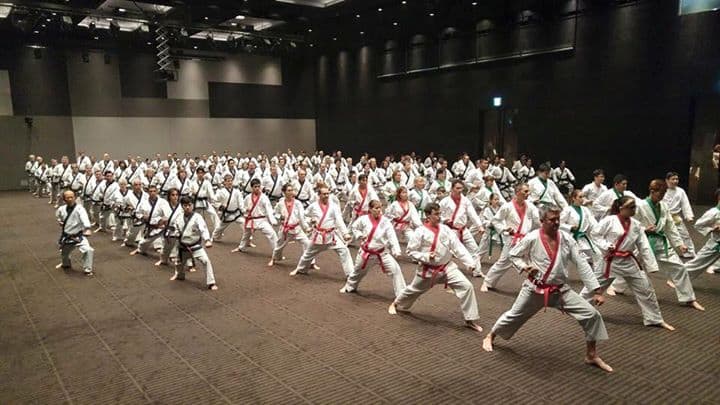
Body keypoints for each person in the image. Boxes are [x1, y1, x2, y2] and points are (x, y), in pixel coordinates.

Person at [481, 206, 612, 373]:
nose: (556, 222)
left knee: (592, 314)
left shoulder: (566, 238)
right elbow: (513, 255)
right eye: (552, 220)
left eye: (558, 219)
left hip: (560, 291)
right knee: (514, 315)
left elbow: (581, 263)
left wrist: (597, 291)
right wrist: (524, 267)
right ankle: (491, 335)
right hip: (535, 289)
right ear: (542, 221)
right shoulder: (532, 237)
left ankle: (591, 355)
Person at [388, 203, 483, 333]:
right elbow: (410, 251)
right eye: (436, 214)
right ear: (428, 215)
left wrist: (470, 263)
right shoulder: (420, 231)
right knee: (413, 290)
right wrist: (426, 256)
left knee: (467, 286)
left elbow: (457, 246)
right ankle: (395, 303)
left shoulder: (445, 229)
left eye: (440, 214)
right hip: (428, 270)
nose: (439, 217)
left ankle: (470, 319)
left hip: (447, 268)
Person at [588, 196, 675, 330]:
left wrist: (651, 265)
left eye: (635, 207)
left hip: (628, 261)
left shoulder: (636, 225)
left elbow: (643, 245)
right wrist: (606, 245)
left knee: (646, 289)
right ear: (621, 208)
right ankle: (580, 310)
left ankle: (654, 318)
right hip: (610, 261)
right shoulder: (609, 220)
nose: (634, 209)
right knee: (593, 288)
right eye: (631, 207)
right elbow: (595, 234)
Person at [634, 180, 704, 311]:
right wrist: (644, 229)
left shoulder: (664, 206)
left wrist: (679, 244)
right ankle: (617, 287)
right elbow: (631, 224)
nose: (662, 196)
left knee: (679, 267)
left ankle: (689, 298)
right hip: (644, 243)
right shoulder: (640, 206)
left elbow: (670, 226)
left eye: (664, 193)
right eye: (660, 193)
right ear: (652, 191)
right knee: (632, 268)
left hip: (661, 242)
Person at [481, 184, 541, 292]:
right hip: (513, 239)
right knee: (503, 262)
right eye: (525, 191)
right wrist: (504, 228)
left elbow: (537, 221)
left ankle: (538, 284)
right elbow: (496, 220)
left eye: (528, 191)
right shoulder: (507, 206)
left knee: (534, 262)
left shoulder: (531, 206)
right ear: (517, 192)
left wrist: (542, 230)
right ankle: (487, 282)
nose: (528, 194)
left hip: (526, 239)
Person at [341, 200, 407, 296]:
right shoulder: (363, 219)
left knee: (395, 269)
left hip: (382, 253)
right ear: (370, 209)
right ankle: (349, 286)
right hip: (366, 253)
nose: (379, 210)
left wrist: (396, 250)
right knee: (357, 272)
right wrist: (359, 235)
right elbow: (354, 227)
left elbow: (392, 236)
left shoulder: (385, 222)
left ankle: (401, 294)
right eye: (376, 208)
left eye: (380, 207)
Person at [290, 184, 354, 277]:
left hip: (331, 236)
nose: (326, 196)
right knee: (308, 254)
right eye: (324, 194)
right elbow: (304, 216)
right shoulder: (313, 206)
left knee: (344, 251)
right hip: (318, 236)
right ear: (319, 195)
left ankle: (350, 274)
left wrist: (345, 234)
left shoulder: (334, 206)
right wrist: (310, 220)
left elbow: (339, 221)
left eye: (328, 194)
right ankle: (301, 269)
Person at [170, 196, 218, 290]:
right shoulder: (179, 217)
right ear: (182, 206)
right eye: (185, 205)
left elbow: (203, 229)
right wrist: (175, 233)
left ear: (193, 205)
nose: (187, 207)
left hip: (195, 245)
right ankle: (179, 275)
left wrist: (207, 240)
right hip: (183, 246)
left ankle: (211, 282)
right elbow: (175, 228)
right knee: (178, 263)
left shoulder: (197, 217)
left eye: (189, 205)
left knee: (206, 261)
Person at [440, 179, 485, 277]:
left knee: (475, 249)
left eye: (461, 188)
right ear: (452, 189)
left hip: (463, 229)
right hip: (450, 230)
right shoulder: (445, 201)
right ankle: (441, 270)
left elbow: (472, 214)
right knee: (446, 252)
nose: (460, 190)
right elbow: (438, 214)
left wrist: (480, 226)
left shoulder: (465, 201)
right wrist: (444, 220)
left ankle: (477, 271)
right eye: (457, 188)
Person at [232, 179, 278, 255]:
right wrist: (245, 210)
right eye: (255, 187)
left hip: (261, 220)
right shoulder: (248, 197)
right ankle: (241, 248)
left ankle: (277, 253)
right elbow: (244, 207)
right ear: (252, 187)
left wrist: (272, 220)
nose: (257, 188)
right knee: (246, 235)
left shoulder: (264, 197)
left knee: (272, 234)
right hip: (251, 220)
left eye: (258, 186)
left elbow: (269, 209)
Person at [270, 183, 311, 267]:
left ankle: (311, 263)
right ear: (284, 192)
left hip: (296, 229)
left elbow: (301, 216)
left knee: (307, 243)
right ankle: (274, 259)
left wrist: (306, 227)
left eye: (292, 190)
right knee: (279, 246)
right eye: (289, 190)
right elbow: (275, 213)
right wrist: (279, 216)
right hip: (285, 229)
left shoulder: (298, 203)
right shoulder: (280, 203)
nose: (291, 192)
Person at [55, 190, 94, 276]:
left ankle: (87, 269)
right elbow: (58, 216)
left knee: (88, 250)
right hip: (67, 236)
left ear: (75, 198)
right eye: (68, 197)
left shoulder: (80, 209)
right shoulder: (61, 209)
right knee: (64, 253)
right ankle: (65, 264)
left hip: (78, 236)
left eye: (72, 197)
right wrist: (60, 221)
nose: (70, 199)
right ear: (64, 199)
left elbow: (84, 218)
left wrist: (87, 228)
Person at [560, 189, 601, 268]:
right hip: (572, 238)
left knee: (596, 255)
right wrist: (570, 227)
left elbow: (592, 222)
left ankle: (593, 273)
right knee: (577, 261)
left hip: (583, 238)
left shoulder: (585, 210)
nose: (582, 199)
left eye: (583, 197)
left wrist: (600, 230)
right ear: (573, 198)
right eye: (580, 197)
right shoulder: (568, 209)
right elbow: (559, 223)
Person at [685, 188, 720, 275]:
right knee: (696, 263)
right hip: (715, 244)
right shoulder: (713, 212)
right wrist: (712, 229)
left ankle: (715, 266)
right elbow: (698, 225)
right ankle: (676, 276)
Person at [662, 172, 695, 258]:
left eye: (677, 179)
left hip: (674, 216)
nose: (675, 181)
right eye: (673, 179)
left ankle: (689, 252)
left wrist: (688, 215)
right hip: (662, 217)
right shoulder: (662, 190)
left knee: (684, 235)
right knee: (661, 236)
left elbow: (685, 203)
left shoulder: (680, 191)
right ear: (667, 180)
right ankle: (662, 253)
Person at [211, 175, 244, 243]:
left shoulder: (236, 191)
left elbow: (240, 202)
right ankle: (214, 237)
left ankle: (248, 240)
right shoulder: (221, 192)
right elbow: (214, 200)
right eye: (228, 181)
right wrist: (220, 206)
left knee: (244, 223)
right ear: (224, 182)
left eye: (231, 181)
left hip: (236, 213)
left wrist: (243, 210)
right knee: (220, 227)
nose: (230, 182)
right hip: (227, 214)